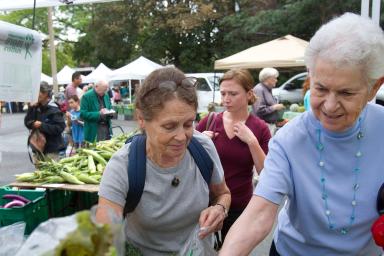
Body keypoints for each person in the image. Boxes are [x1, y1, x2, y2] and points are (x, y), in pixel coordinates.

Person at [219, 13, 384, 256]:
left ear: (373, 88)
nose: (329, 106)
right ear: (310, 76)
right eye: (320, 88)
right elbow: (258, 214)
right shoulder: (289, 139)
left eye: (346, 93)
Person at [96, 67, 231, 255]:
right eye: (169, 126)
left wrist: (220, 208)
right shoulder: (123, 166)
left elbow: (223, 193)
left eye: (188, 124)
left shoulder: (203, 148)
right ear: (141, 119)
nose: (182, 137)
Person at [196, 69, 271, 246]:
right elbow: (184, 160)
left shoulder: (260, 128)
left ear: (249, 94)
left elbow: (266, 173)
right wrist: (199, 144)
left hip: (240, 205)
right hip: (207, 203)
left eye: (233, 93)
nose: (226, 99)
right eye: (223, 93)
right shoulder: (209, 121)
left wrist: (252, 141)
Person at [24, 81, 66, 161]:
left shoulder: (54, 109)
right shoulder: (35, 107)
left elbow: (60, 128)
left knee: (51, 173)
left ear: (45, 93)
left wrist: (42, 125)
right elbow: (27, 123)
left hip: (51, 151)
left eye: (38, 92)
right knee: (39, 173)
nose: (35, 95)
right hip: (37, 150)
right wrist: (31, 108)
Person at [252, 67, 285, 134]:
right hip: (263, 127)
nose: (276, 80)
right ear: (267, 78)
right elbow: (259, 110)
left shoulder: (267, 89)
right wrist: (274, 107)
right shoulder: (259, 89)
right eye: (274, 78)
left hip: (269, 126)